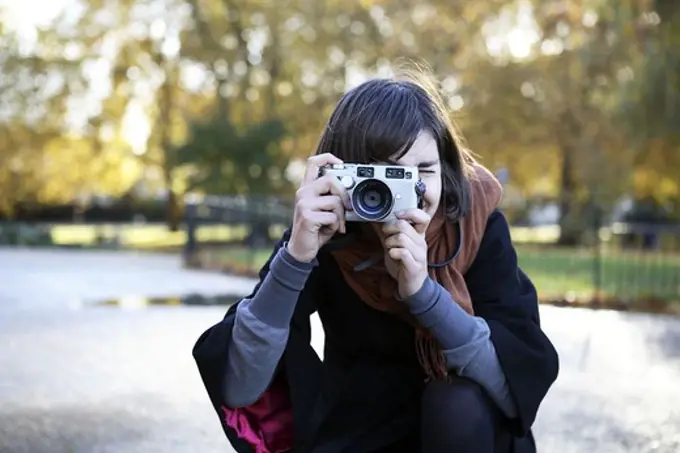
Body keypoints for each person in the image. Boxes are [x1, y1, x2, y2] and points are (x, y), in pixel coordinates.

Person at [192, 71, 559, 453]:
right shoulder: (325, 230)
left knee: (456, 403)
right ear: (340, 173)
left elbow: (510, 384)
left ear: (446, 170)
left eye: (423, 171)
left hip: (468, 431)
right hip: (359, 426)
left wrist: (423, 293)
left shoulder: (472, 222)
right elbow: (242, 387)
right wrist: (295, 259)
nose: (404, 191)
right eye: (381, 174)